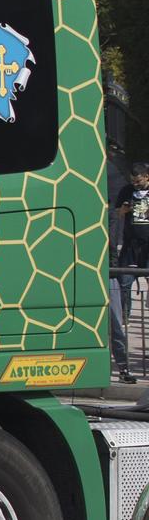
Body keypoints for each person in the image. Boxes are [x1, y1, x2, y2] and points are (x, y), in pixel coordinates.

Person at [113, 161, 149, 383]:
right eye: (133, 181)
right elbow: (117, 213)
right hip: (130, 245)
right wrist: (123, 210)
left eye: (139, 181)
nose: (135, 185)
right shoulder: (127, 192)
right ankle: (125, 313)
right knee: (123, 282)